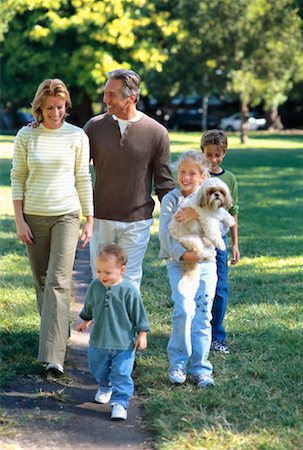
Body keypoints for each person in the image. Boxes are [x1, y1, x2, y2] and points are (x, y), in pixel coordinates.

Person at [11, 78, 94, 376]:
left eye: (60, 107)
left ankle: (53, 354)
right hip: (33, 215)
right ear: (39, 107)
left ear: (66, 106)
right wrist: (19, 220)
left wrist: (89, 218)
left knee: (59, 280)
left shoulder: (77, 136)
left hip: (66, 216)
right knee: (43, 282)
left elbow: (83, 178)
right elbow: (17, 177)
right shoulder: (26, 136)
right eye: (49, 108)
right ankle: (58, 333)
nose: (56, 113)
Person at [84, 69, 175, 291]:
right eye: (105, 93)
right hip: (101, 217)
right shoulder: (94, 127)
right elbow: (75, 168)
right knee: (102, 278)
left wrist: (176, 217)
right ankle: (104, 325)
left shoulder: (157, 132)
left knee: (130, 279)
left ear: (131, 97)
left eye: (112, 95)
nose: (106, 100)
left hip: (137, 220)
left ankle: (124, 326)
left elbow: (164, 182)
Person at [159, 151, 218, 387]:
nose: (186, 177)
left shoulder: (208, 198)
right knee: (184, 309)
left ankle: (201, 368)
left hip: (205, 265)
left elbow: (219, 230)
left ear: (202, 177)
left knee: (203, 315)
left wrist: (198, 214)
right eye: (182, 172)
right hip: (180, 264)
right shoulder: (170, 200)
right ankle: (178, 363)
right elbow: (165, 233)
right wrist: (184, 254)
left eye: (192, 173)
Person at [77, 244, 149, 420]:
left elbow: (138, 313)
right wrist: (86, 320)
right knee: (98, 369)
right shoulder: (95, 286)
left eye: (107, 272)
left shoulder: (128, 290)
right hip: (98, 341)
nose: (102, 276)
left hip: (123, 344)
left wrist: (142, 334)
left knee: (121, 373)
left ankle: (120, 403)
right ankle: (104, 386)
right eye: (99, 271)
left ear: (122, 269)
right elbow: (89, 305)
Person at [201, 129, 240, 354]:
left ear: (224, 153)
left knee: (221, 288)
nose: (213, 160)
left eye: (218, 155)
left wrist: (235, 244)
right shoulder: (199, 176)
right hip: (199, 239)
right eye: (209, 155)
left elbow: (233, 212)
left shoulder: (229, 178)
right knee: (199, 286)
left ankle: (217, 335)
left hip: (220, 241)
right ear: (203, 153)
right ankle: (198, 330)